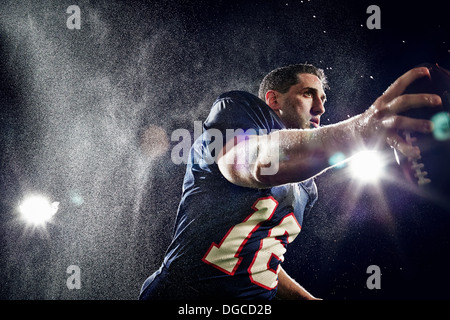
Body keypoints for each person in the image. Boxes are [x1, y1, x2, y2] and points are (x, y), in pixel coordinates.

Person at [139, 63, 441, 300]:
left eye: (323, 98)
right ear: (273, 99)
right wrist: (357, 131)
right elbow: (251, 163)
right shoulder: (238, 110)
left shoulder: (307, 187)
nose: (321, 108)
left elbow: (257, 255)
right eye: (308, 93)